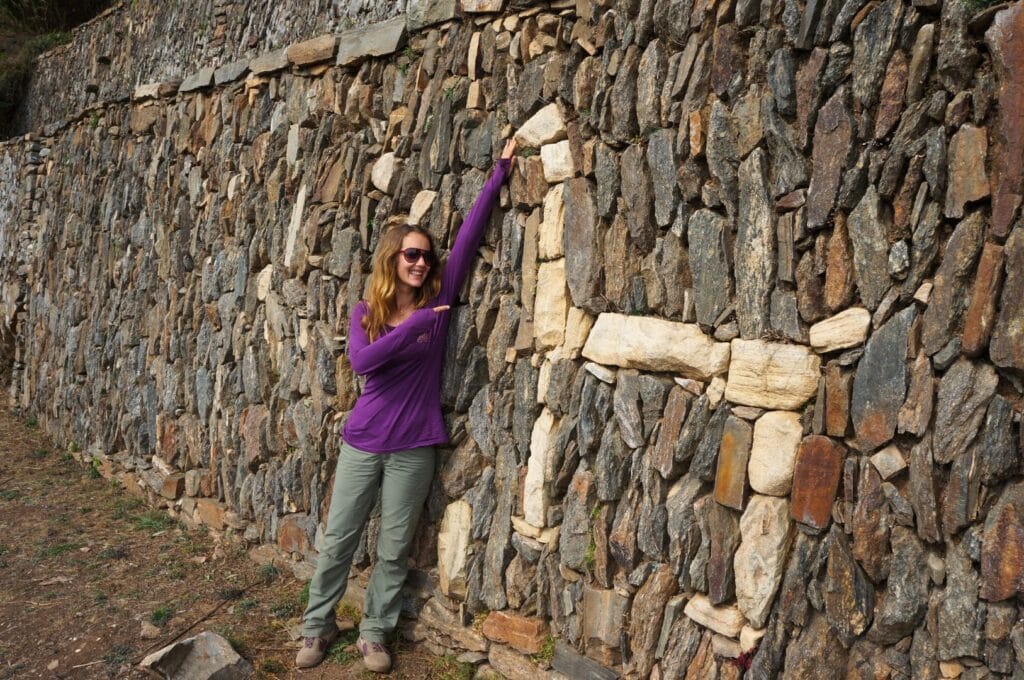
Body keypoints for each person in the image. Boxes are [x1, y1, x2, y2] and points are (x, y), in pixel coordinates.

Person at [295, 137, 518, 672]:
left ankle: (374, 634)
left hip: (415, 445)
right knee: (339, 541)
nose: (421, 262)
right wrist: (416, 324)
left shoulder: (439, 302)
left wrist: (500, 172)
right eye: (411, 254)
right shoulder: (364, 314)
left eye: (426, 255)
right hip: (363, 442)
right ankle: (316, 627)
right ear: (391, 260)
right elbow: (362, 363)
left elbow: (467, 238)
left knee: (394, 550)